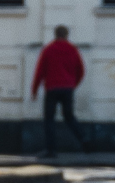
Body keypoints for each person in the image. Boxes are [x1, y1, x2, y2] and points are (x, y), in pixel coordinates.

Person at [30, 25, 85, 157]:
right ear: (67, 35)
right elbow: (81, 70)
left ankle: (51, 150)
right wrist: (73, 84)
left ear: (55, 34)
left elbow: (40, 71)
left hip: (52, 88)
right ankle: (85, 141)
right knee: (69, 116)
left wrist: (35, 89)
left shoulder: (48, 49)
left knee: (49, 119)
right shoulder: (73, 50)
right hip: (67, 89)